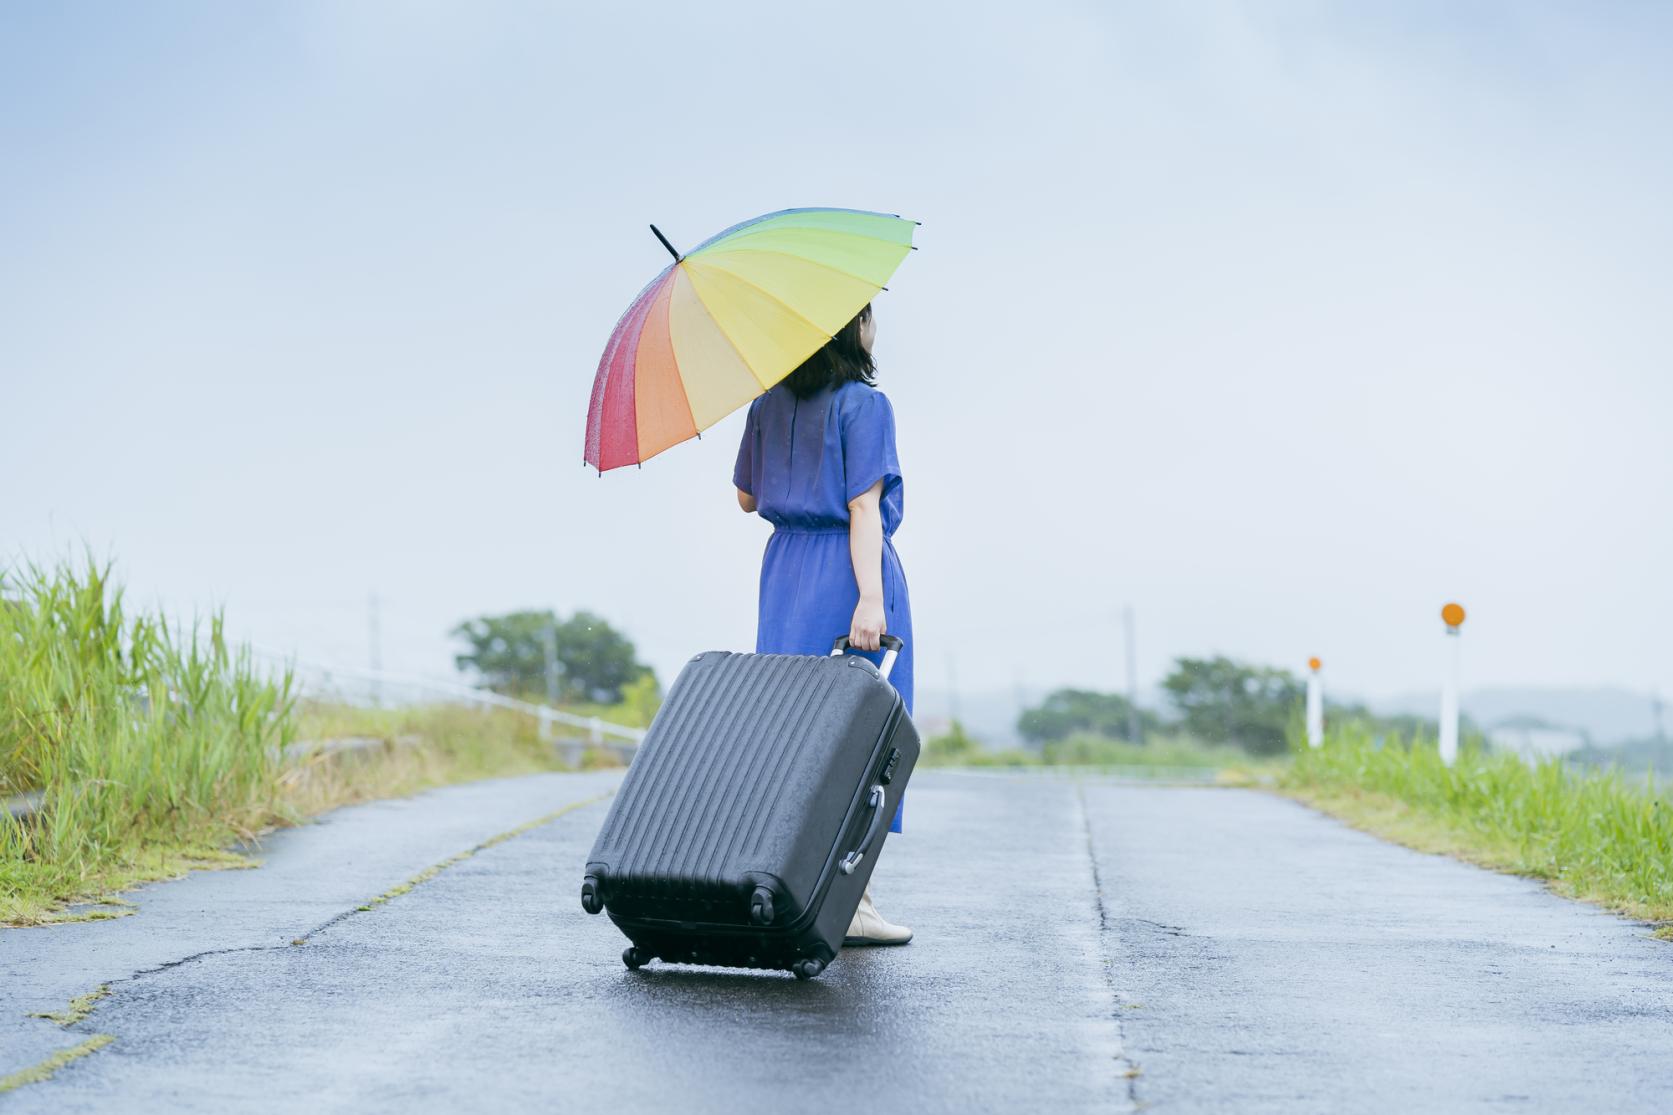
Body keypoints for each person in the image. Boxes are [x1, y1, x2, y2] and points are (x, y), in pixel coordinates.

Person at [732, 301, 914, 947]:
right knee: (864, 738)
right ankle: (852, 900)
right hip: (845, 567)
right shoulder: (864, 404)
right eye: (867, 316)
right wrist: (870, 598)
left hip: (784, 571)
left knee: (791, 733)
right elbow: (862, 506)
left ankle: (789, 887)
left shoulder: (765, 403)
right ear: (848, 329)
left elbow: (747, 498)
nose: (874, 326)